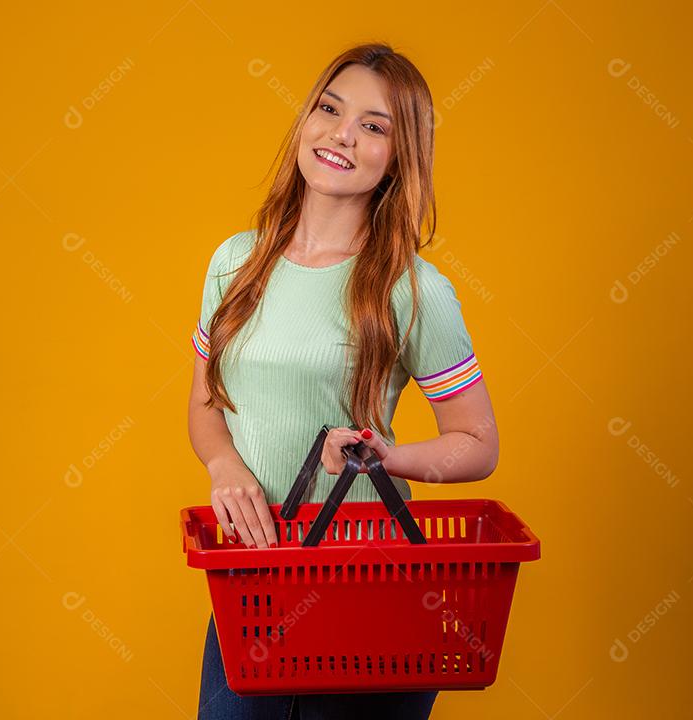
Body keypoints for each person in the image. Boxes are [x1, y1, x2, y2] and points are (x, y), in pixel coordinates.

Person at [186, 42, 499, 719]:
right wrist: (223, 466)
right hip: (253, 587)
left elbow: (478, 442)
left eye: (373, 125)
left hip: (372, 592)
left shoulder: (412, 289)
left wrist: (388, 456)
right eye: (330, 110)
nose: (342, 135)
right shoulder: (235, 262)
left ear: (399, 156)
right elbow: (206, 404)